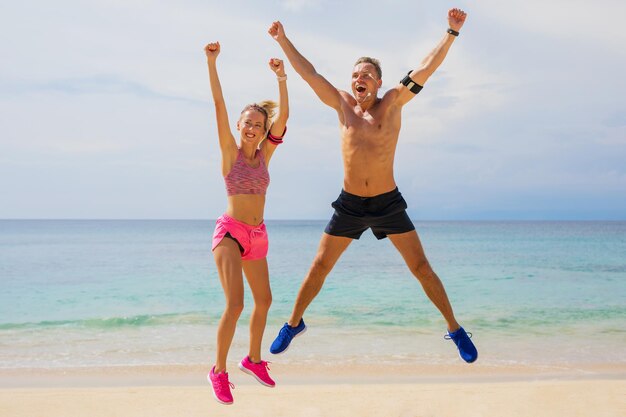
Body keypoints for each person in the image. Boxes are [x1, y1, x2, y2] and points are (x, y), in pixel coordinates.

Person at [267, 8, 477, 364]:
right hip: (350, 203)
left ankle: (455, 329)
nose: (358, 78)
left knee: (421, 268)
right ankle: (293, 323)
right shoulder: (342, 105)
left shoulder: (394, 101)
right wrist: (282, 39)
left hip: (386, 203)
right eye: (354, 74)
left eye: (366, 74)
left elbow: (426, 68)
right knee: (319, 266)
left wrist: (451, 32)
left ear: (379, 82)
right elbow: (310, 74)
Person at [204, 41, 289, 405]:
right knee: (235, 304)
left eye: (259, 124)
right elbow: (219, 105)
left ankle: (253, 361)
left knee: (265, 300)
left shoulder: (266, 155)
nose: (253, 128)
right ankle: (218, 371)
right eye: (248, 123)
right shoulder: (230, 152)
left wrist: (282, 78)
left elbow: (283, 119)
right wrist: (212, 63)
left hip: (257, 235)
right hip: (230, 233)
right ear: (239, 126)